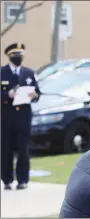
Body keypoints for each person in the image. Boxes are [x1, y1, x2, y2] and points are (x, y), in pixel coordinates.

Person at [1, 43, 41, 190]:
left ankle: (23, 180)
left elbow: (37, 93)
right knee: (6, 148)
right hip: (6, 116)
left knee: (23, 148)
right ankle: (7, 179)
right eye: (15, 55)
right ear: (9, 56)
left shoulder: (29, 73)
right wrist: (7, 95)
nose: (18, 57)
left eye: (20, 55)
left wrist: (35, 95)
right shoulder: (2, 72)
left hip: (23, 116)